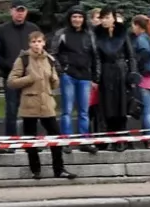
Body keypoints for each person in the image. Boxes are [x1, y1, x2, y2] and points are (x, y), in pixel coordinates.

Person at [6, 30, 76, 179]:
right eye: (33, 42)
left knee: (56, 137)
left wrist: (54, 78)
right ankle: (35, 170)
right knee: (31, 139)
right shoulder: (23, 59)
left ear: (44, 43)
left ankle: (59, 169)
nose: (36, 44)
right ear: (29, 44)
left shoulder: (49, 59)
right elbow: (11, 81)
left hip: (46, 103)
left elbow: (54, 80)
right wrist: (29, 78)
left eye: (39, 41)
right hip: (30, 104)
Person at [49, 6, 98, 153]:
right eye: (74, 17)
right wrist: (61, 70)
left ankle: (85, 141)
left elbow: (95, 57)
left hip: (85, 77)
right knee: (67, 111)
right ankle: (66, 141)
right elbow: (53, 54)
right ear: (70, 18)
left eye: (80, 17)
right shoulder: (62, 33)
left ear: (84, 19)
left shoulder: (89, 35)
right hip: (68, 76)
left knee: (84, 111)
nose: (77, 20)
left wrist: (95, 76)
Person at [0, 3, 40, 143]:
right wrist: (9, 67)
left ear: (26, 12)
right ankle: (12, 141)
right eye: (17, 11)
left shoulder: (33, 29)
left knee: (31, 109)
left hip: (30, 77)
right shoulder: (2, 30)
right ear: (11, 11)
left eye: (22, 11)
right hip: (11, 77)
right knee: (12, 110)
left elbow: (40, 49)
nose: (20, 14)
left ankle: (31, 140)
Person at [93, 6, 134, 149]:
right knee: (107, 107)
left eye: (108, 17)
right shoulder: (96, 34)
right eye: (102, 18)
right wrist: (96, 77)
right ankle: (110, 139)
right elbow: (96, 57)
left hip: (121, 71)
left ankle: (121, 140)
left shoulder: (122, 32)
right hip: (105, 72)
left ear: (114, 18)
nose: (105, 20)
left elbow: (131, 55)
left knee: (121, 106)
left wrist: (132, 74)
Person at [130, 14, 150, 145]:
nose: (132, 28)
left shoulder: (142, 38)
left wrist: (137, 66)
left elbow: (143, 52)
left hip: (145, 79)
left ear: (138, 26)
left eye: (133, 25)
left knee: (147, 112)